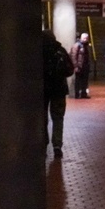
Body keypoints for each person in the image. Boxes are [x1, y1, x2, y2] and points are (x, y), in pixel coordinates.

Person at [43, 30, 73, 158]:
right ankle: (57, 145)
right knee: (58, 118)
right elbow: (69, 69)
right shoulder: (60, 51)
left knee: (41, 118)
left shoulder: (39, 51)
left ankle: (43, 143)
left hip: (43, 90)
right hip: (59, 89)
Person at [70, 32, 91, 98]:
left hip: (85, 66)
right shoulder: (77, 45)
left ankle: (83, 94)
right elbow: (73, 56)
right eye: (84, 38)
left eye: (86, 38)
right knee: (78, 81)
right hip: (79, 66)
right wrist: (75, 66)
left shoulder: (86, 46)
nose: (86, 39)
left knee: (85, 81)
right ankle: (77, 94)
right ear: (81, 38)